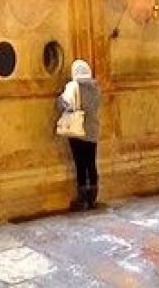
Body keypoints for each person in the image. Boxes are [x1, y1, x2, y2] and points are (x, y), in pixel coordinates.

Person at [57, 59, 101, 210]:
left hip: (77, 132)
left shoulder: (72, 86)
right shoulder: (95, 88)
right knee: (91, 164)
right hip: (92, 131)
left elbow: (64, 104)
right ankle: (93, 198)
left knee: (80, 165)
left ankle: (83, 199)